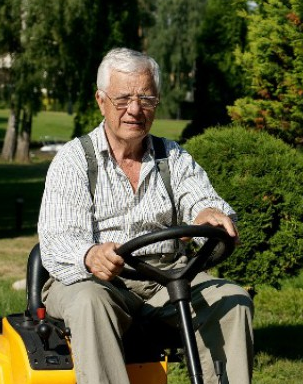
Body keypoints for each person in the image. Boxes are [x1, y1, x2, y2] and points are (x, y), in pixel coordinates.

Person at [38, 47, 254, 384]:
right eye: (123, 99)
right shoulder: (73, 160)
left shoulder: (174, 157)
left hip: (166, 277)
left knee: (232, 300)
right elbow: (57, 240)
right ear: (101, 100)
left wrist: (209, 214)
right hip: (94, 280)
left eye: (147, 99)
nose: (135, 110)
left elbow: (202, 201)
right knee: (90, 302)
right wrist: (90, 254)